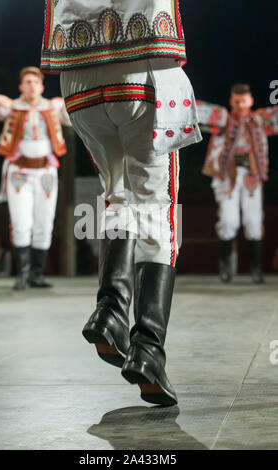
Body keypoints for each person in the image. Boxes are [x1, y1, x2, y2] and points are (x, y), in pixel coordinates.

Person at [42, 0, 202, 406]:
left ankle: (110, 311)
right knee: (156, 209)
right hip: (140, 63)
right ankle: (148, 347)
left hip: (76, 75)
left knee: (118, 195)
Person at [0, 67, 71, 290]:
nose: (31, 86)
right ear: (21, 86)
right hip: (19, 172)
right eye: (27, 82)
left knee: (44, 221)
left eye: (35, 82)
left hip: (45, 172)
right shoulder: (12, 108)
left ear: (41, 86)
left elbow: (80, 110)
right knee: (20, 222)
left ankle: (36, 275)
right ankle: (23, 273)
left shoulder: (53, 107)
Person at [197, 84, 278, 284]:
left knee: (253, 222)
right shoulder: (223, 119)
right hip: (226, 176)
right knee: (227, 221)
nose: (240, 104)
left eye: (244, 101)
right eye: (236, 101)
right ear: (231, 101)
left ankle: (256, 269)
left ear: (250, 101)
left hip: (252, 176)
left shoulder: (260, 119)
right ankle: (226, 269)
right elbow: (195, 110)